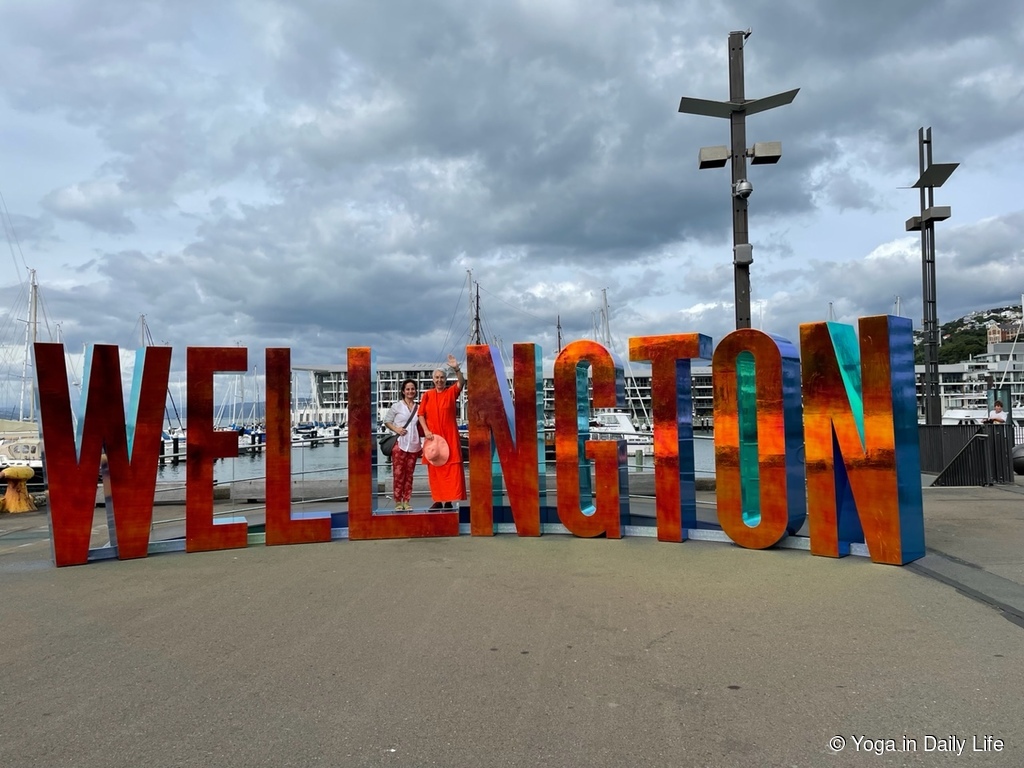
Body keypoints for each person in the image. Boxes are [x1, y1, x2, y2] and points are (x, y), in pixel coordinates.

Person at [418, 353, 465, 509]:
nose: (439, 380)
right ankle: (438, 500)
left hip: (449, 437)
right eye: (437, 377)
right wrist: (425, 431)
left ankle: (449, 500)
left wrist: (456, 368)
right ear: (433, 379)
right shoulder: (427, 395)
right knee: (435, 471)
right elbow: (421, 415)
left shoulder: (451, 392)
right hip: (433, 439)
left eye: (442, 377)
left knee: (451, 470)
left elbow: (461, 382)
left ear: (445, 379)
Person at [383, 379, 422, 510]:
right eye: (408, 389)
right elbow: (387, 421)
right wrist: (396, 429)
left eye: (413, 389)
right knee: (398, 473)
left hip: (414, 444)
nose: (410, 391)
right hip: (400, 444)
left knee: (409, 475)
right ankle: (398, 501)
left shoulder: (419, 407)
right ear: (403, 391)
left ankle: (407, 500)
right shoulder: (397, 406)